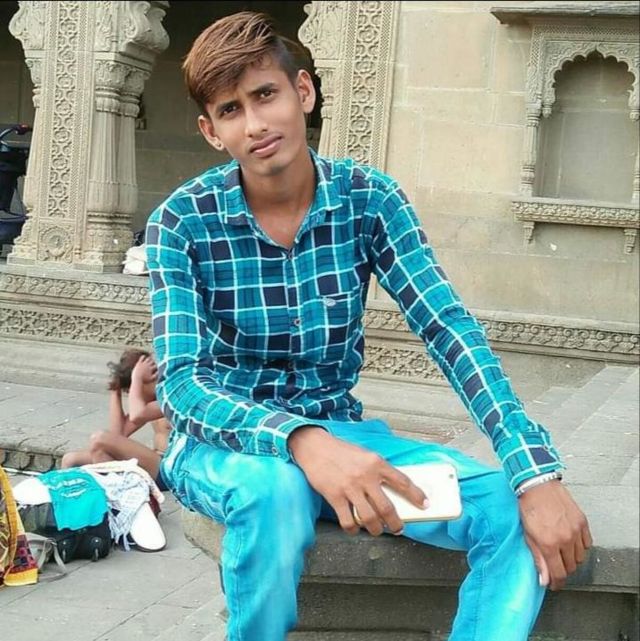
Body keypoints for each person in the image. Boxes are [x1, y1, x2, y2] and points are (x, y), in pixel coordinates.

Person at [145, 12, 592, 641]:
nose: (255, 124)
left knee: (509, 510)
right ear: (211, 131)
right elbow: (183, 385)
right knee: (273, 489)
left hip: (344, 437)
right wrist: (301, 441)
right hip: (227, 449)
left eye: (266, 95)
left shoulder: (368, 198)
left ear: (303, 92)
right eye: (230, 110)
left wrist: (534, 470)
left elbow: (448, 329)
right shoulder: (182, 223)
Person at [61, 349, 170, 491]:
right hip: (153, 460)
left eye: (133, 390)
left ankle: (118, 496)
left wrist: (136, 378)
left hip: (169, 468)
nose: (133, 395)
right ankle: (69, 499)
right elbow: (119, 434)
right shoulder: (148, 404)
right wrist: (115, 391)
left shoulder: (168, 397)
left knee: (99, 439)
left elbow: (137, 414)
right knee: (70, 459)